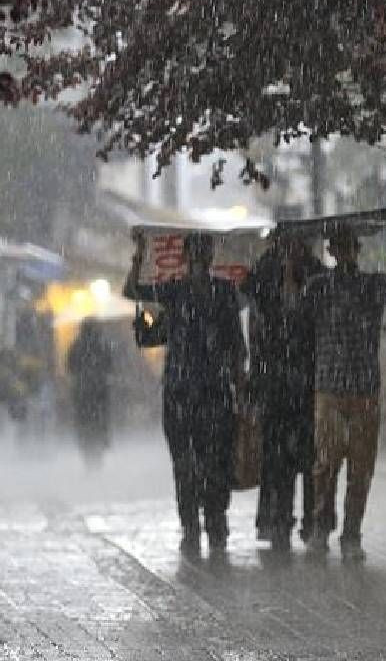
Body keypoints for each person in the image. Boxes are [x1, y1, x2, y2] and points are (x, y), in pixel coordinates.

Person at [126, 232, 246, 556]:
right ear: (186, 258)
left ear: (209, 258)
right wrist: (139, 254)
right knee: (185, 464)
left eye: (203, 255)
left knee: (216, 463)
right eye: (195, 255)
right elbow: (133, 291)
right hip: (181, 393)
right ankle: (191, 526)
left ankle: (215, 523)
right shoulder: (175, 292)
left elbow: (236, 345)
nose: (199, 261)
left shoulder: (223, 293)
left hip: (215, 392)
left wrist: (240, 385)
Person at [303, 221, 386, 561]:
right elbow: (294, 311)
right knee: (327, 462)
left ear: (356, 250)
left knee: (361, 467)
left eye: (350, 246)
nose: (345, 252)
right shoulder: (318, 287)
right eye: (339, 246)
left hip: (364, 387)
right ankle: (322, 526)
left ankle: (351, 533)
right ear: (332, 252)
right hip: (330, 388)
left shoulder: (372, 286)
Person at [241, 231, 325, 552]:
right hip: (275, 381)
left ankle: (310, 521)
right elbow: (250, 296)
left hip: (306, 380)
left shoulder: (315, 273)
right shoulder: (266, 271)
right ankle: (279, 521)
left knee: (308, 456)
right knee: (277, 457)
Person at [67, 319, 113, 471]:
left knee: (85, 425)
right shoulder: (102, 345)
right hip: (99, 392)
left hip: (82, 393)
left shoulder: (76, 345)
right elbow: (110, 365)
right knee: (99, 424)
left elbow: (70, 366)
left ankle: (88, 458)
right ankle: (98, 455)